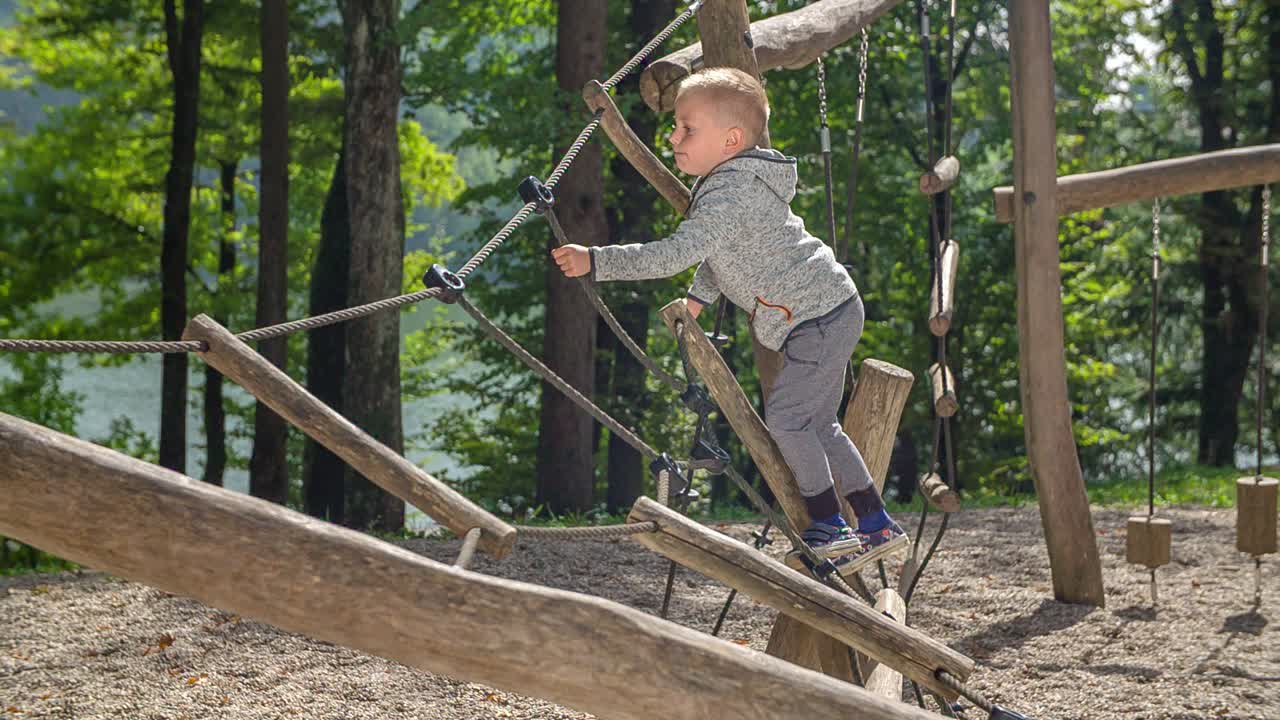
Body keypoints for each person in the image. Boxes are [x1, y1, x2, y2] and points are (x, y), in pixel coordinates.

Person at [550, 67, 905, 568]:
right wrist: (697, 297)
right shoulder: (731, 183)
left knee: (787, 419)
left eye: (686, 128)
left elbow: (674, 254)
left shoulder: (731, 192)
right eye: (675, 126)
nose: (673, 137)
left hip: (819, 317)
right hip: (827, 308)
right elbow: (726, 255)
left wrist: (597, 260)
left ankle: (831, 524)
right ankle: (875, 523)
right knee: (819, 423)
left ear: (731, 139)